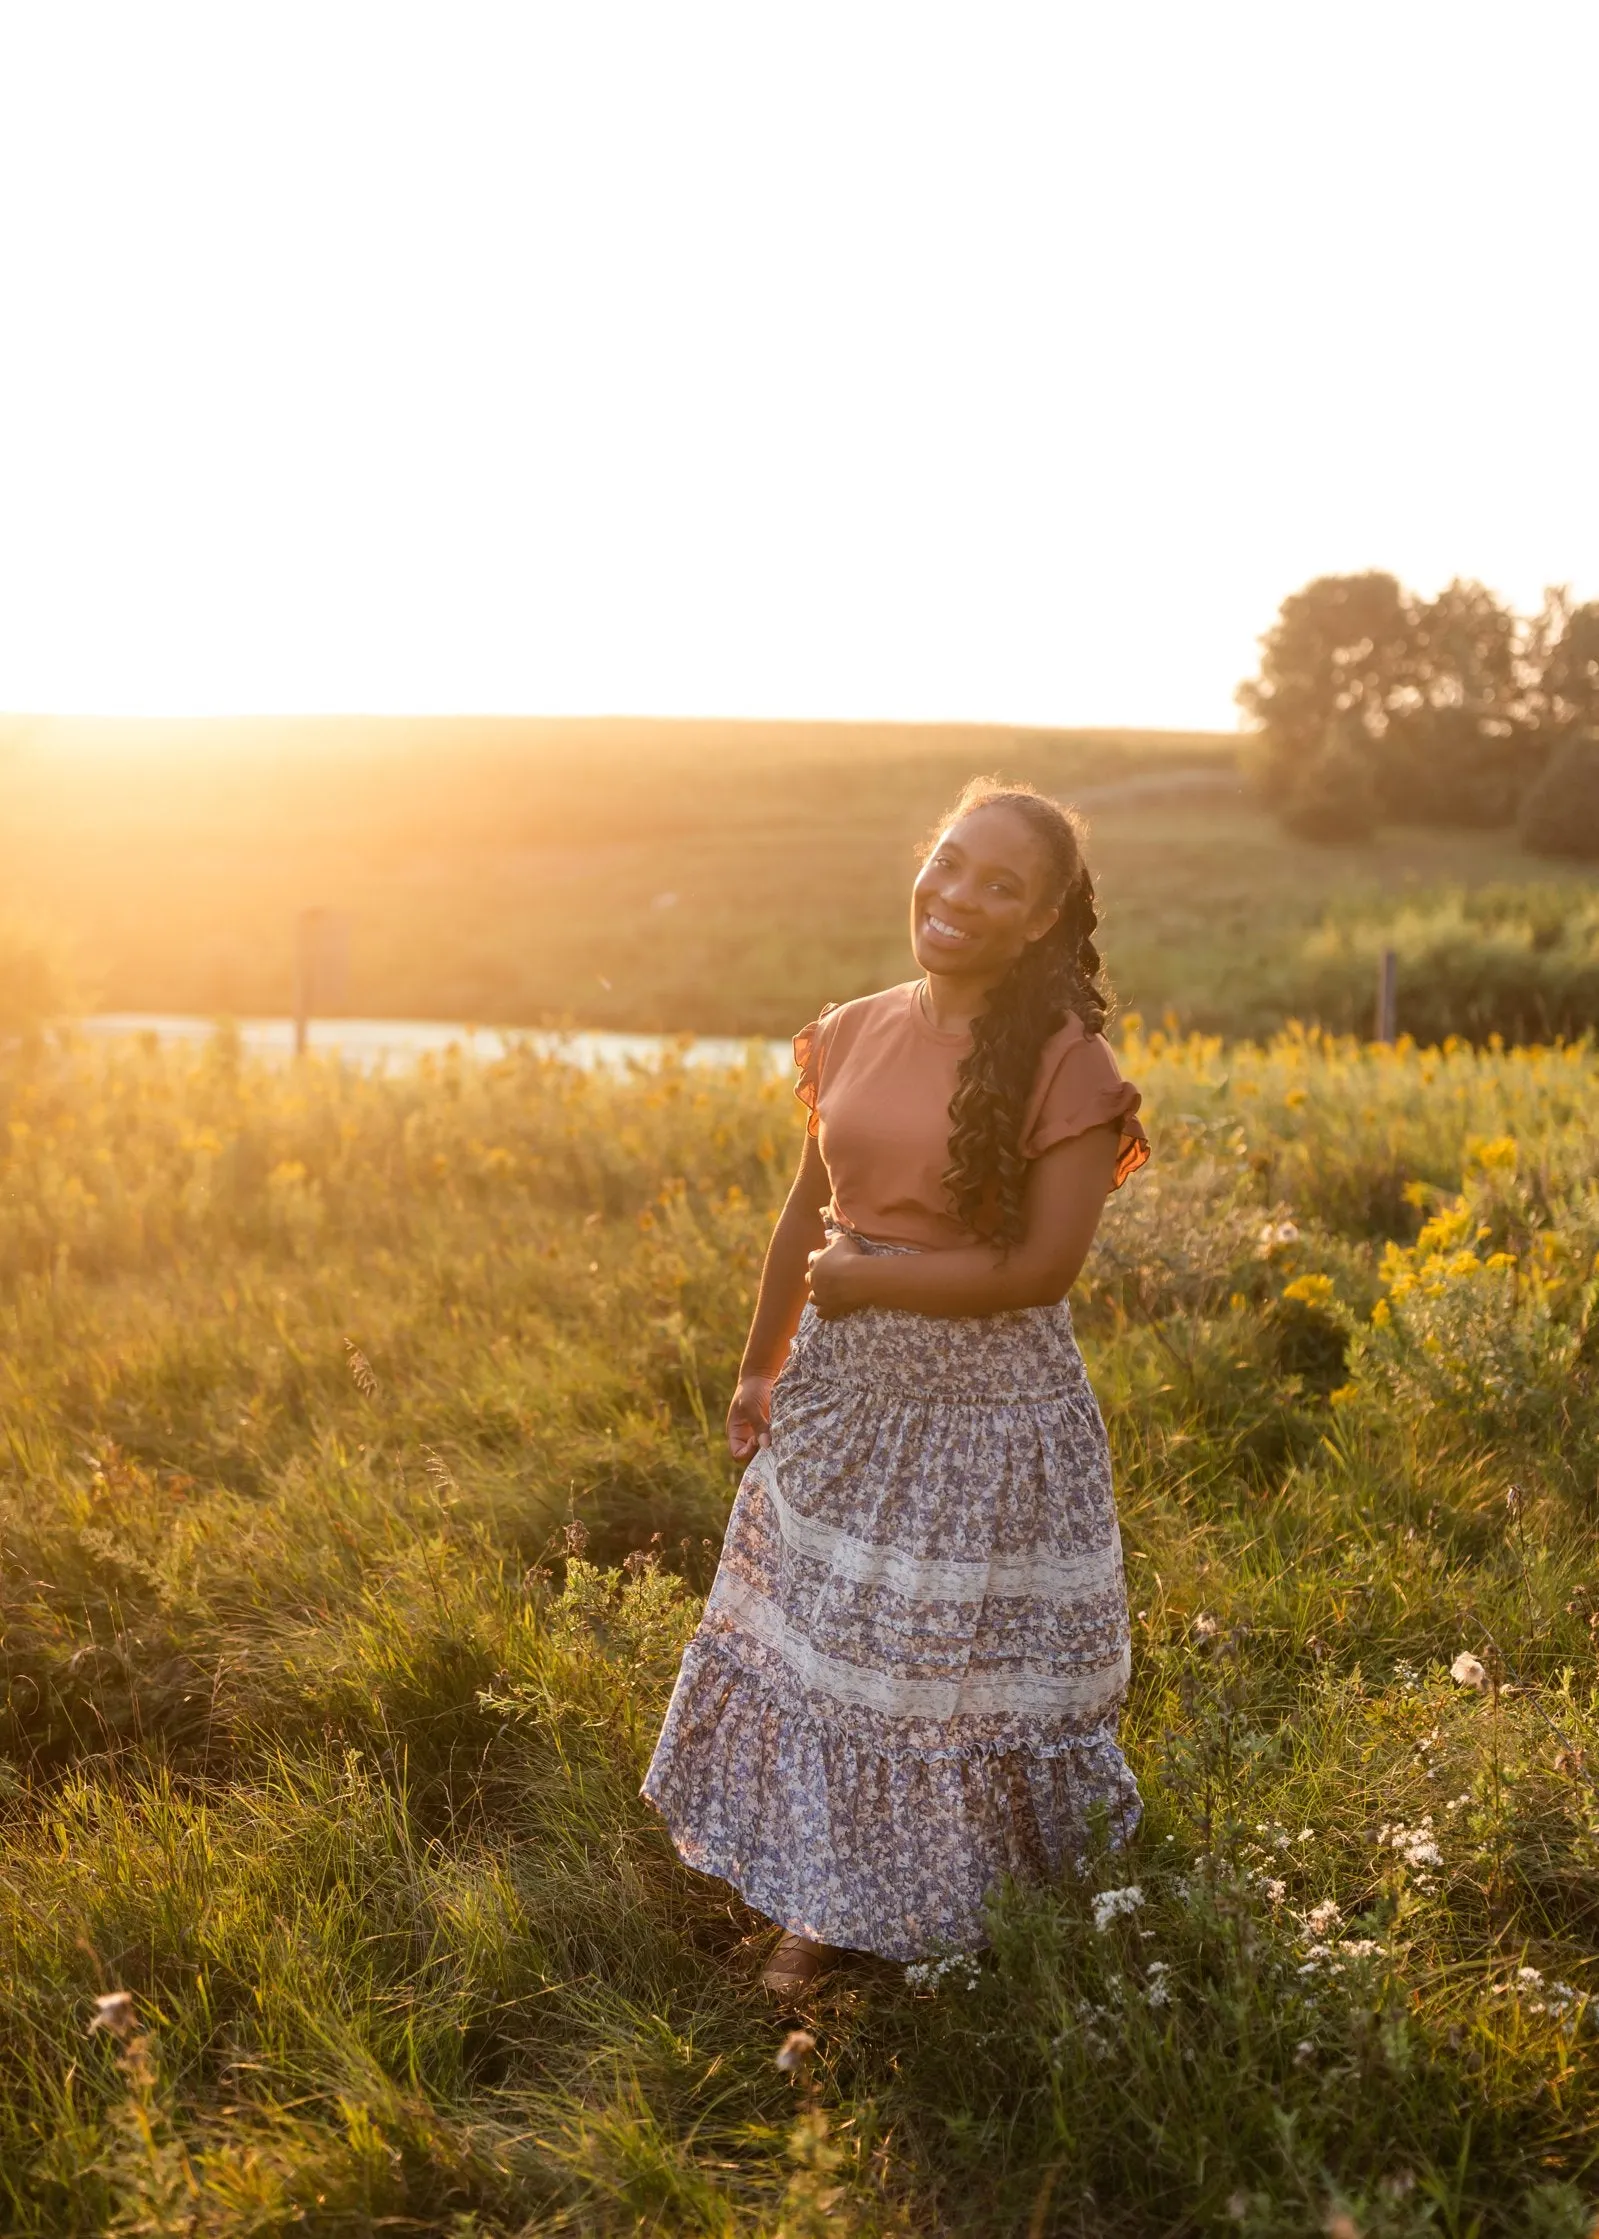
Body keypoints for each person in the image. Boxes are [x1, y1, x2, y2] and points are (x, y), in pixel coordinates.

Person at [642, 777, 1149, 1996]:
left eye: (1001, 885)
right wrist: (760, 1363)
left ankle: (921, 1909)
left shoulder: (1071, 1068)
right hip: (843, 1387)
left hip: (990, 1409)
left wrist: (866, 1288)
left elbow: (1041, 1269)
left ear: (1041, 921)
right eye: (951, 861)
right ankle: (825, 1891)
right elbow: (807, 1213)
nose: (959, 895)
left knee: (933, 1665)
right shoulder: (857, 1026)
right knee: (824, 1642)